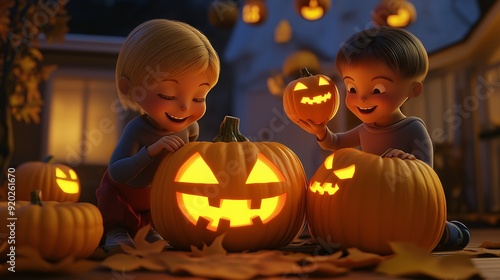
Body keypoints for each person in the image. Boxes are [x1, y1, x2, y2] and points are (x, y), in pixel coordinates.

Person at [290, 26, 469, 250]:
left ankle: (454, 233)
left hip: (403, 206)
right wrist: (320, 131)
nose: (362, 98)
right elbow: (334, 143)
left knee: (432, 232)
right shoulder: (365, 129)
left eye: (377, 90)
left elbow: (426, 179)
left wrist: (409, 161)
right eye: (352, 88)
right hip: (372, 204)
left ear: (413, 90)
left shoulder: (413, 128)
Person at [96, 19, 220, 251]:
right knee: (119, 207)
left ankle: (150, 229)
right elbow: (116, 172)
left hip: (158, 196)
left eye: (198, 98)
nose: (184, 108)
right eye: (168, 95)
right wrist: (151, 151)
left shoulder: (191, 129)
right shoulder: (137, 130)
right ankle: (117, 230)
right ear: (128, 88)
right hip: (126, 192)